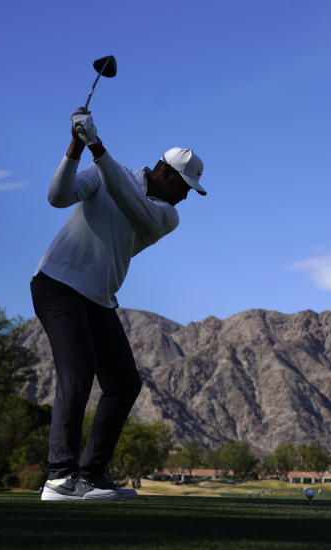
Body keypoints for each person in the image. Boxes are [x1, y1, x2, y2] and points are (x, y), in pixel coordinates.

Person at [32, 108, 206, 501]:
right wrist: (77, 146)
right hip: (56, 285)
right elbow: (57, 197)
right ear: (164, 172)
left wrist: (95, 144)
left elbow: (131, 203)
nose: (185, 196)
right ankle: (60, 477)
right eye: (184, 186)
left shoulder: (166, 215)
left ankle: (90, 477)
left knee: (124, 383)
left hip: (97, 299)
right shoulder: (107, 172)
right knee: (77, 374)